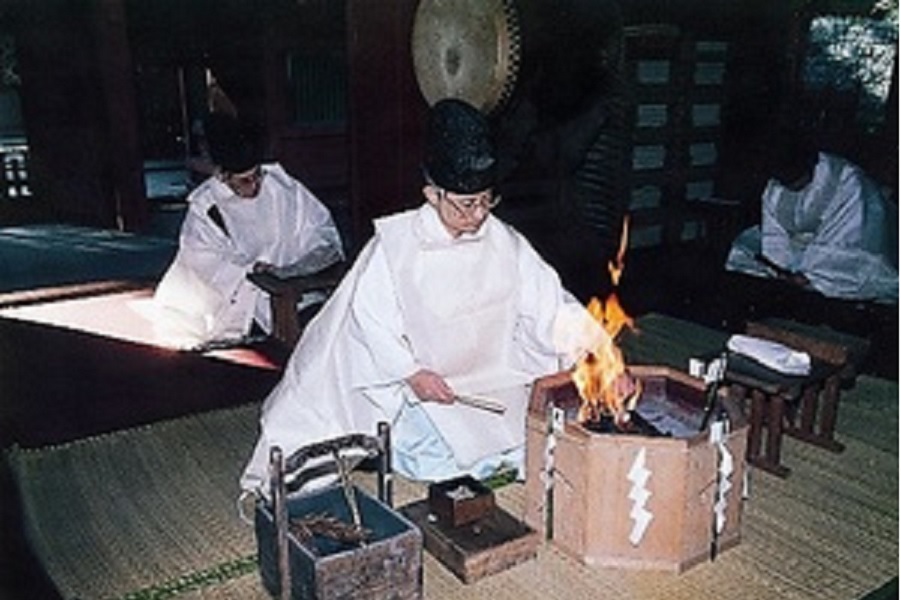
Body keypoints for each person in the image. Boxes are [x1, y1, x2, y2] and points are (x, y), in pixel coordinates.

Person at [239, 98, 607, 494]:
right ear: (432, 194)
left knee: (524, 445)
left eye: (487, 200)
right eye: (467, 204)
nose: (479, 214)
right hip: (423, 387)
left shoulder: (505, 243)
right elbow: (370, 320)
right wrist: (410, 372)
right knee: (435, 461)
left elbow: (551, 305)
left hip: (492, 379)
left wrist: (599, 350)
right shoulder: (397, 248)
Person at [153, 113, 345, 349]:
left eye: (257, 176)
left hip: (292, 285)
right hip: (238, 294)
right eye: (244, 181)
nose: (255, 186)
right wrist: (249, 268)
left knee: (329, 327)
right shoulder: (207, 206)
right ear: (223, 176)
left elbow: (317, 229)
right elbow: (202, 260)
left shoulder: (281, 187)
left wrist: (305, 260)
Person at [725, 144, 898, 303]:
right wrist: (780, 270)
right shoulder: (775, 187)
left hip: (847, 249)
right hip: (799, 250)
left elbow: (846, 233)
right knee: (743, 254)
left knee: (853, 278)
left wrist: (813, 276)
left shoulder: (847, 180)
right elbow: (774, 232)